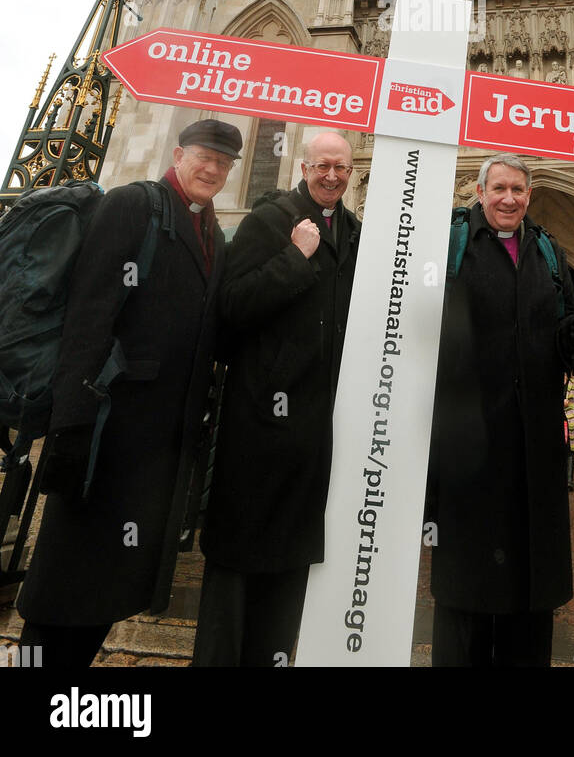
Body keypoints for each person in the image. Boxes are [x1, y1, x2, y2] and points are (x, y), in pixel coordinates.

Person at [16, 118, 241, 667]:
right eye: (203, 156)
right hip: (103, 434)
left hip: (155, 448)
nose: (211, 168)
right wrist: (69, 428)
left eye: (223, 162)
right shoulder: (133, 205)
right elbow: (89, 318)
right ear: (179, 153)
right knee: (61, 588)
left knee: (109, 589)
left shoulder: (211, 229)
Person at [193, 129, 360, 667]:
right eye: (322, 166)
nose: (331, 175)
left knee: (290, 569)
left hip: (315, 431)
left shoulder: (356, 234)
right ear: (303, 166)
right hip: (259, 422)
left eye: (341, 168)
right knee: (238, 565)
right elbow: (232, 309)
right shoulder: (268, 220)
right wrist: (294, 257)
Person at [426, 153, 574, 667]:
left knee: (531, 581)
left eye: (518, 190)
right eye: (499, 188)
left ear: (529, 196)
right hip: (469, 445)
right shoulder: (450, 244)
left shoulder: (547, 251)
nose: (509, 198)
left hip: (534, 445)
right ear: (480, 192)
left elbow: (560, 337)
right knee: (467, 585)